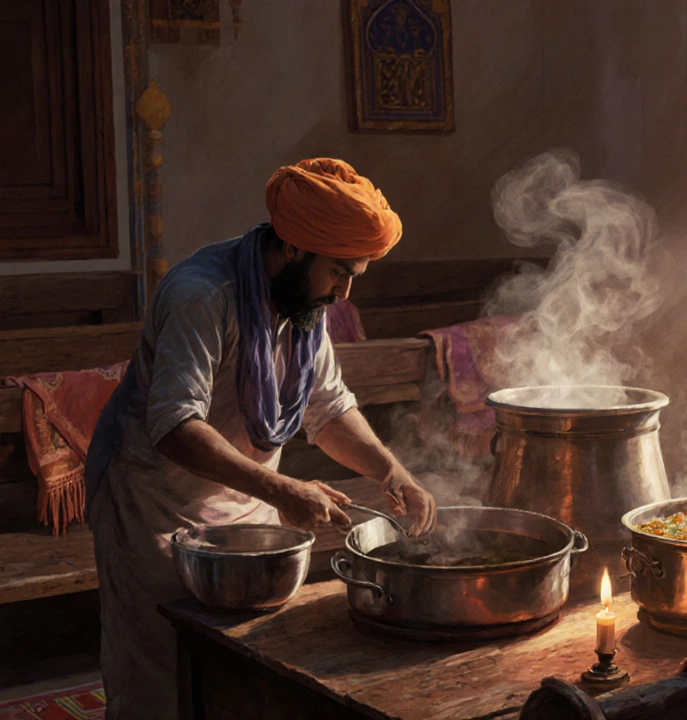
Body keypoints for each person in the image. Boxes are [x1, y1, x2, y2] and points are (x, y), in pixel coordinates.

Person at [84, 158, 437, 719]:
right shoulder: (203, 294)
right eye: (340, 272)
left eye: (354, 276)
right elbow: (174, 427)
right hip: (150, 502)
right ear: (294, 247)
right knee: (161, 672)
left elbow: (327, 408)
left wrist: (393, 472)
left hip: (250, 498)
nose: (344, 293)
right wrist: (281, 489)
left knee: (250, 665)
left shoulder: (306, 304)